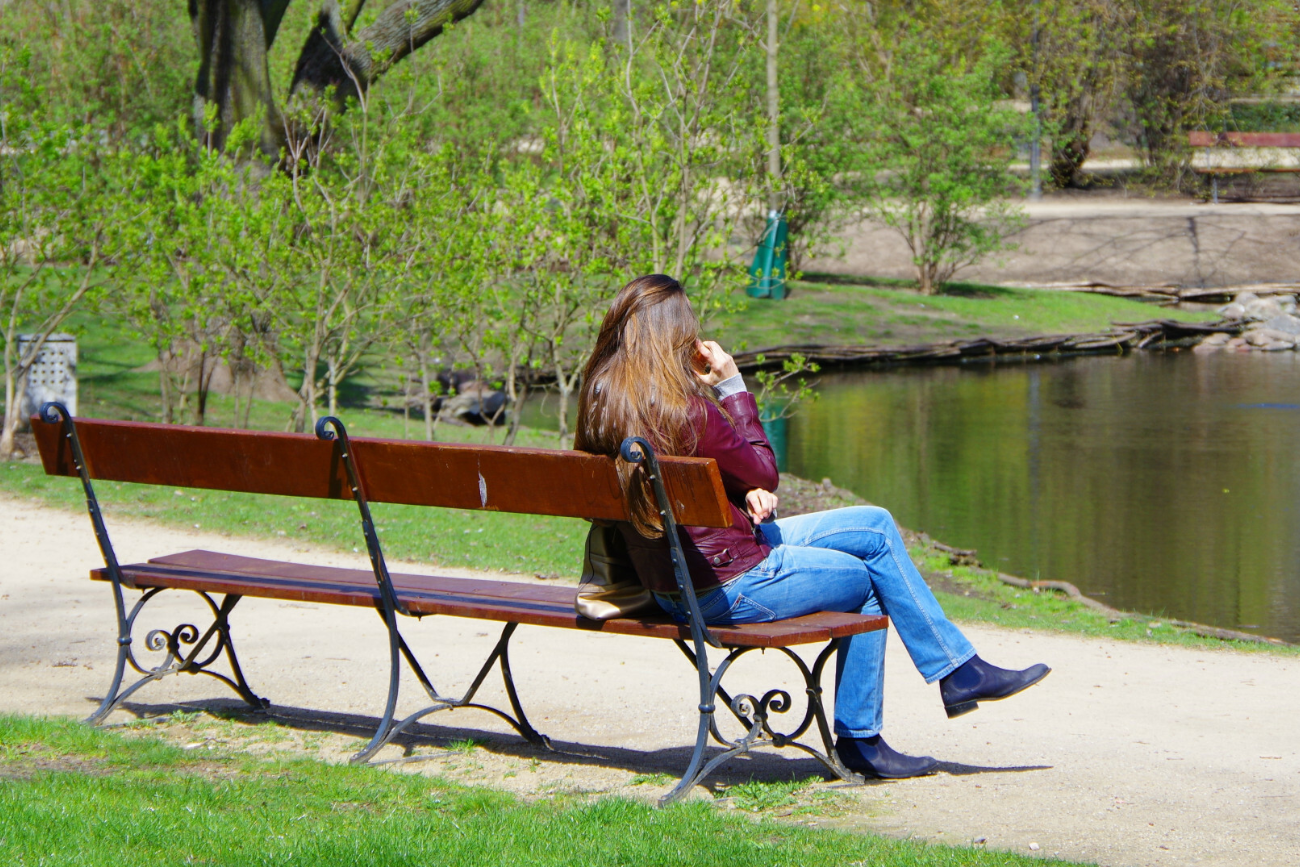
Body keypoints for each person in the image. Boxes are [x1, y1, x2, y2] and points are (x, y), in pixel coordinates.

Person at [574, 274, 1050, 779]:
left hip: (671, 579)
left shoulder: (601, 401)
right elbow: (763, 471)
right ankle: (865, 739)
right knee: (869, 579)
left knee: (875, 526)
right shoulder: (685, 409)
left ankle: (958, 671)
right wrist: (733, 387)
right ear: (675, 335)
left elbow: (672, 483)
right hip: (725, 586)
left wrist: (739, 492)